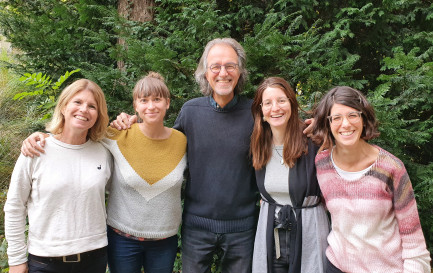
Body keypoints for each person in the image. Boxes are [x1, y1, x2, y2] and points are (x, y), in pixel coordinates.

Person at [111, 38, 258, 273]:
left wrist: (317, 128)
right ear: (205, 73)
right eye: (215, 66)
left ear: (240, 72)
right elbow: (161, 145)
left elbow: (285, 136)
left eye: (230, 65)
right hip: (196, 227)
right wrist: (130, 124)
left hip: (243, 228)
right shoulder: (191, 111)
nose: (223, 72)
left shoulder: (255, 113)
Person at [19, 72, 187, 273]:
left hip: (164, 241)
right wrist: (42, 137)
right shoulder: (116, 135)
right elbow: (75, 137)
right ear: (135, 105)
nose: (151, 106)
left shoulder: (182, 141)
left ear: (167, 103)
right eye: (144, 100)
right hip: (122, 240)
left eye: (157, 100)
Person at [311, 86, 431, 273]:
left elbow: (413, 240)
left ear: (363, 118)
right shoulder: (322, 163)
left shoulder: (391, 167)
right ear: (327, 123)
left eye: (353, 115)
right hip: (336, 266)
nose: (345, 124)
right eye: (337, 118)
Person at [5, 79, 112, 273]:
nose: (84, 110)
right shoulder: (36, 150)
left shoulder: (103, 152)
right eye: (77, 102)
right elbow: (14, 207)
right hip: (45, 261)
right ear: (63, 106)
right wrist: (16, 260)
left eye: (92, 106)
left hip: (94, 258)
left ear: (98, 114)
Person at [250, 77, 329, 273]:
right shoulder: (258, 145)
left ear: (292, 103)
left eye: (281, 100)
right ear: (261, 111)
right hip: (271, 237)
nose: (275, 108)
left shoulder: (314, 141)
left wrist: (323, 126)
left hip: (309, 233)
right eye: (267, 103)